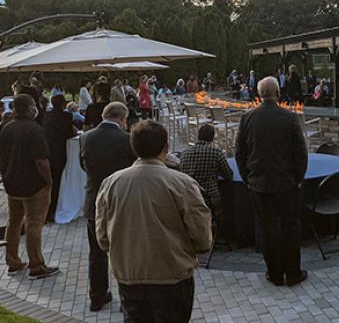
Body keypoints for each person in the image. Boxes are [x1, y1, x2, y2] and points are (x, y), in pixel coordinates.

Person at [95, 120, 211, 323]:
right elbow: (202, 236)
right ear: (165, 148)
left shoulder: (111, 183)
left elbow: (102, 236)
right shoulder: (182, 183)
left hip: (130, 275)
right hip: (172, 275)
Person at [235, 76, 308, 286]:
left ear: (259, 95)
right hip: (286, 183)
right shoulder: (289, 117)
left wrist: (247, 178)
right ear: (277, 93)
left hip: (259, 184)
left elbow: (240, 152)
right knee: (290, 228)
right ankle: (293, 273)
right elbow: (300, 152)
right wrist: (298, 178)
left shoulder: (247, 118)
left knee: (267, 229)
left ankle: (274, 274)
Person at [80, 102, 136, 311]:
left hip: (94, 201)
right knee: (124, 252)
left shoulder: (86, 138)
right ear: (122, 118)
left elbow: (82, 164)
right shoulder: (127, 139)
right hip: (121, 202)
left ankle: (97, 296)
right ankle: (126, 298)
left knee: (96, 254)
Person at [0, 94, 60, 280]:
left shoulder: (6, 129)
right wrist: (49, 181)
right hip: (34, 185)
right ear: (28, 108)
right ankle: (36, 265)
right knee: (34, 223)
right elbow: (41, 160)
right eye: (34, 105)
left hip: (12, 184)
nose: (36, 108)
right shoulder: (35, 129)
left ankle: (12, 262)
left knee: (14, 222)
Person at [179, 124, 233, 225]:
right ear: (212, 138)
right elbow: (228, 175)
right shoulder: (215, 152)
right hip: (210, 197)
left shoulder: (184, 153)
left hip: (189, 198)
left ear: (198, 136)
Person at [43, 94, 77, 222]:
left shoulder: (46, 115)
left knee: (50, 181)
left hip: (48, 151)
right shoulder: (66, 116)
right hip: (60, 151)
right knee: (57, 181)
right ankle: (54, 208)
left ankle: (47, 209)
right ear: (63, 104)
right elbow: (68, 133)